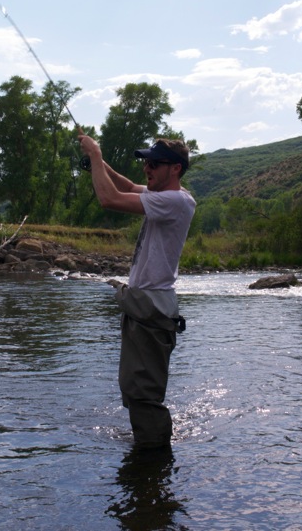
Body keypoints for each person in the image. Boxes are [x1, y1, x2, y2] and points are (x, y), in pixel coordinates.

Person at [78, 134, 196, 448]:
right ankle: (148, 459)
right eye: (146, 162)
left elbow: (110, 199)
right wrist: (98, 162)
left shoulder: (175, 200)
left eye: (154, 163)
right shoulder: (164, 196)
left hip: (152, 308)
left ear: (175, 169)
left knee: (144, 394)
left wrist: (95, 154)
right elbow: (128, 187)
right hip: (144, 305)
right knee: (134, 389)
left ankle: (154, 461)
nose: (147, 168)